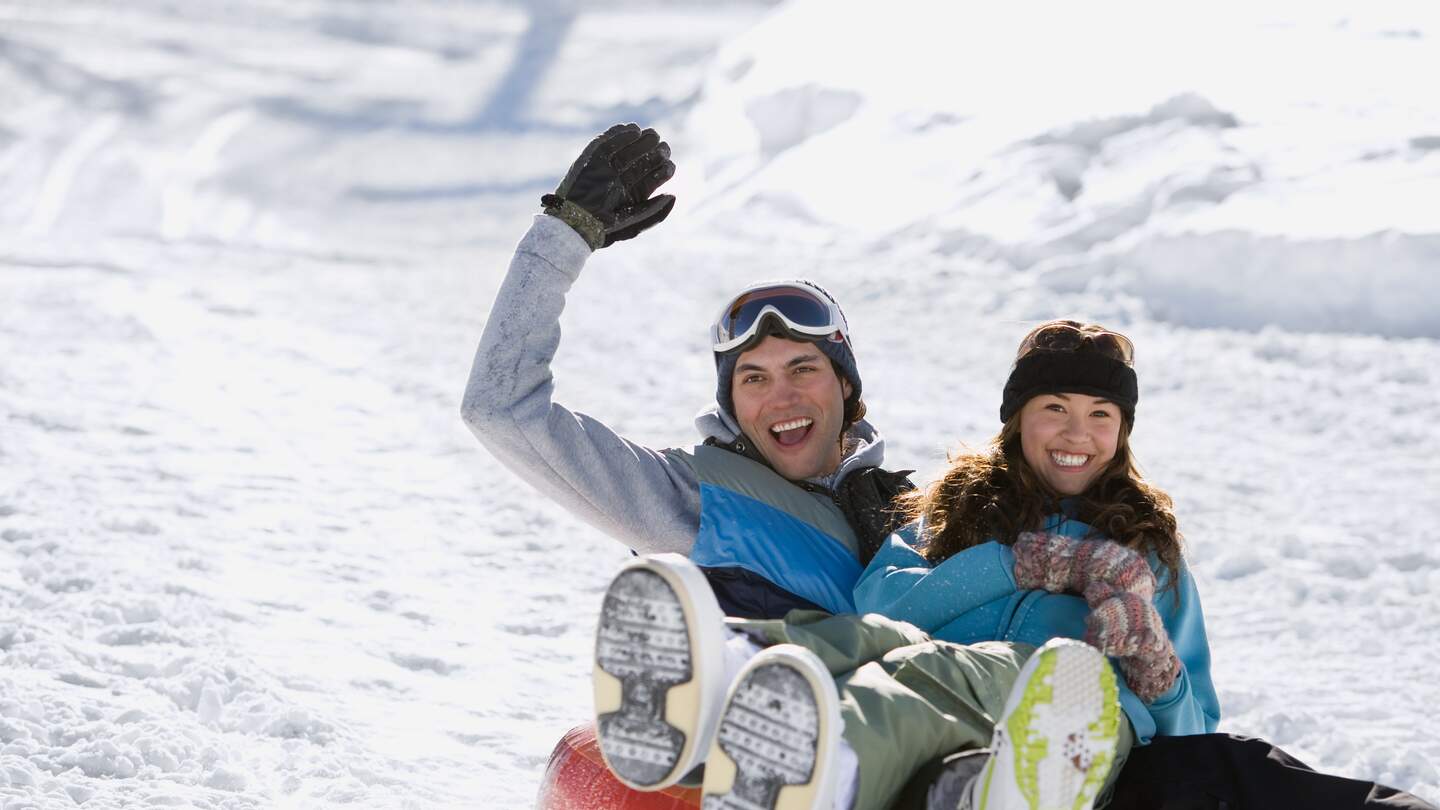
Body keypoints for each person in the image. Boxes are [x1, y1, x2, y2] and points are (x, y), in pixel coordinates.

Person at [591, 320, 1207, 810]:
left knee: (948, 672)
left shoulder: (1149, 553)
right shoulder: (958, 509)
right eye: (1055, 408)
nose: (1077, 433)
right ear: (1018, 418)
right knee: (876, 641)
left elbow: (1198, 738)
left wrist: (1158, 670)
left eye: (1101, 414)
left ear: (1122, 430)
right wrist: (1016, 563)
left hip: (1072, 719)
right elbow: (879, 602)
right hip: (954, 699)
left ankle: (831, 767)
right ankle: (723, 673)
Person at [461, 122, 913, 619]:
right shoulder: (691, 499)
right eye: (753, 378)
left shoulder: (912, 510)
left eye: (802, 369)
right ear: (731, 405)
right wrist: (565, 235)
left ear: (845, 384)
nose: (781, 398)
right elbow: (500, 408)